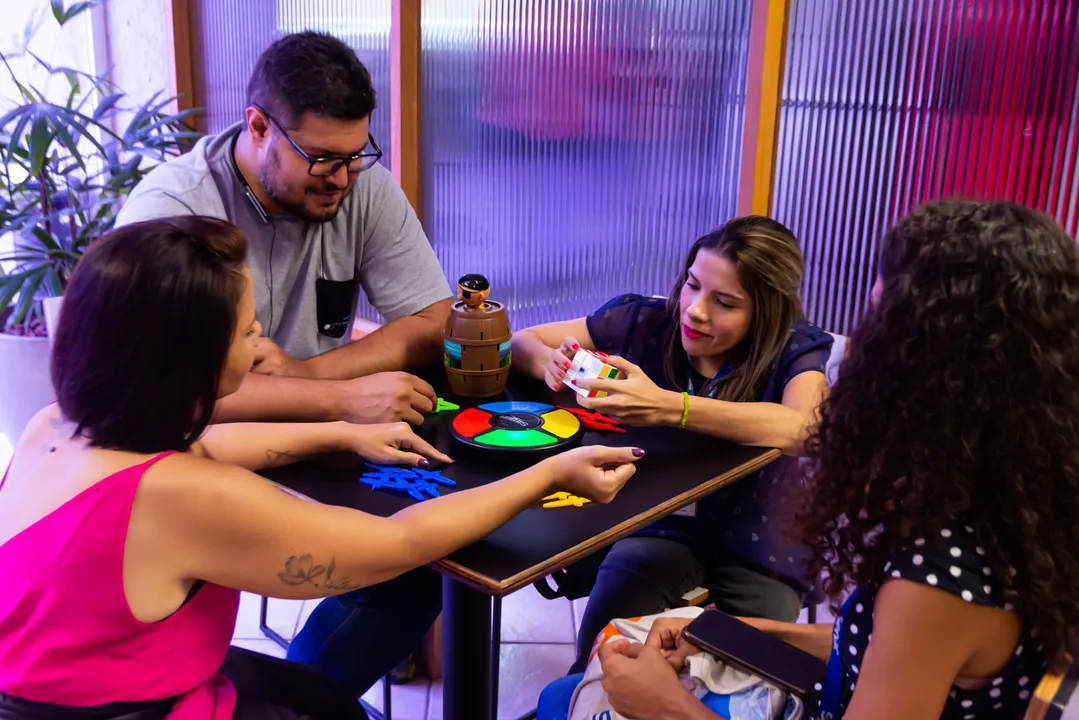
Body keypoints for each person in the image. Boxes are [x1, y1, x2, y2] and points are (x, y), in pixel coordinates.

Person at [0, 217, 643, 720]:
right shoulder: (180, 496)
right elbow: (398, 542)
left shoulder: (54, 424)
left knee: (319, 696)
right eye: (248, 332)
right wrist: (550, 473)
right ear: (188, 359)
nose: (262, 348)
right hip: (126, 709)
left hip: (56, 687)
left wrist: (341, 433)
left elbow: (206, 449)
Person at [540, 200, 1079, 720]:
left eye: (879, 323)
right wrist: (716, 633)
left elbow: (804, 428)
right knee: (579, 680)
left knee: (566, 698)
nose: (860, 347)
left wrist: (667, 707)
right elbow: (870, 645)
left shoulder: (937, 575)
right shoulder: (1008, 507)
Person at [511, 216, 833, 673]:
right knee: (603, 661)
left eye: (724, 302)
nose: (696, 310)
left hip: (761, 540)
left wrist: (670, 407)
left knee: (746, 677)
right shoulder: (645, 321)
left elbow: (805, 429)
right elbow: (523, 340)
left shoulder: (794, 348)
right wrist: (552, 363)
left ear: (767, 312)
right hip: (658, 527)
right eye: (692, 285)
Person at [116, 31, 451, 428]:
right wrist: (336, 398)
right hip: (209, 454)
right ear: (258, 127)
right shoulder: (172, 212)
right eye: (321, 158)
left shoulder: (363, 184)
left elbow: (436, 323)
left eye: (355, 155)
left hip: (328, 443)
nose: (342, 179)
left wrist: (308, 374)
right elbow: (160, 390)